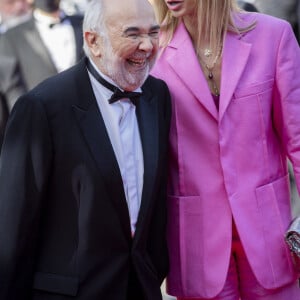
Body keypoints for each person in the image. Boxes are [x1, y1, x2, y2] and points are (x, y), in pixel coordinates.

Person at [0, 0, 171, 298]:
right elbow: (12, 231)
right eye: (132, 34)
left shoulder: (158, 96)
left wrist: (154, 269)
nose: (147, 45)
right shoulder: (42, 108)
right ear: (93, 41)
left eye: (153, 33)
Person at [150, 0, 300, 299]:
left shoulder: (274, 36)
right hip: (195, 240)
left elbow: (297, 139)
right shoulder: (153, 51)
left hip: (270, 234)